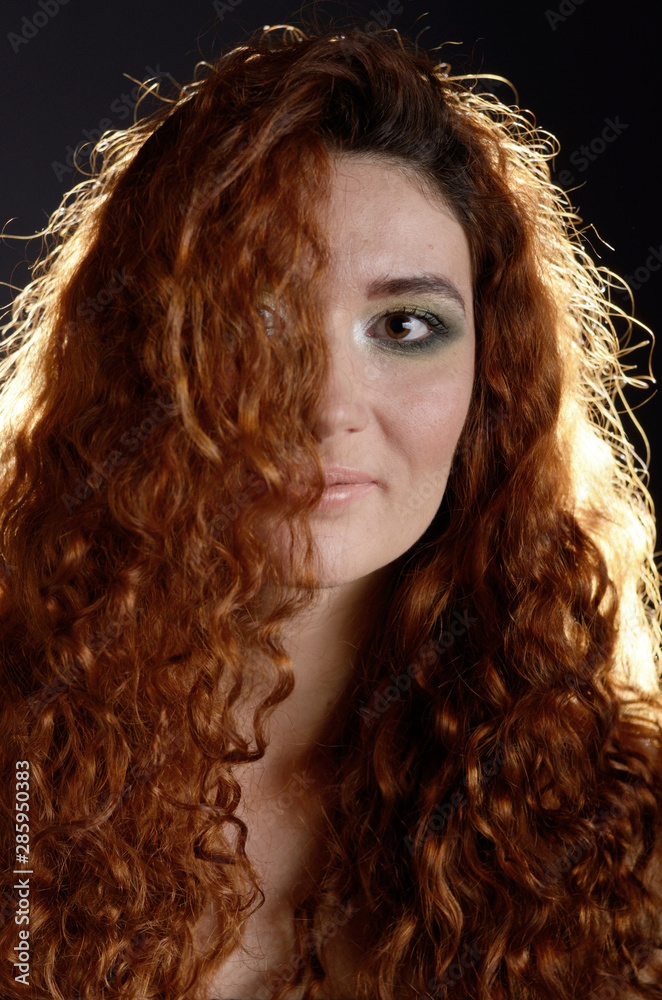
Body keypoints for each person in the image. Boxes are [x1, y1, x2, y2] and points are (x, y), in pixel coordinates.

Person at [1, 20, 662, 1000]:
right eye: (256, 317)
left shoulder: (627, 826)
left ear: (488, 382)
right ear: (144, 355)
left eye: (404, 326)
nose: (324, 406)